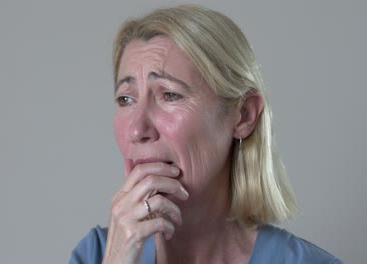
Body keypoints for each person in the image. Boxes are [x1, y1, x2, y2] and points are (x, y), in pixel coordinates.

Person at [69, 4, 342, 264]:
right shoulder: (96, 255)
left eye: (170, 95)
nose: (138, 130)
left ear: (244, 115)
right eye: (126, 99)